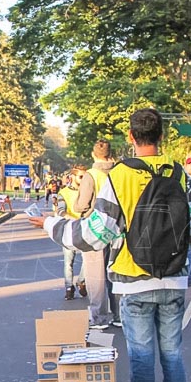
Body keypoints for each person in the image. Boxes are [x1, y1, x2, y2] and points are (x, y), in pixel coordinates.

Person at [30, 108, 191, 382]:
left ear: (131, 137)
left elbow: (96, 234)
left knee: (142, 361)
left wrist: (51, 225)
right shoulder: (180, 174)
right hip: (173, 280)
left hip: (132, 282)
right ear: (163, 135)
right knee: (173, 358)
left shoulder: (119, 176)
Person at [76, 140, 116, 329]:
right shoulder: (118, 172)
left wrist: (77, 207)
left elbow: (83, 204)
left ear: (93, 154)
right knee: (114, 272)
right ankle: (118, 315)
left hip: (95, 228)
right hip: (116, 228)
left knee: (95, 275)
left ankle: (99, 317)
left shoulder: (91, 176)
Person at [56, 166, 87, 301]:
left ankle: (81, 281)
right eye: (81, 177)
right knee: (68, 261)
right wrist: (73, 219)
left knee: (88, 259)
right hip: (69, 230)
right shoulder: (63, 192)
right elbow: (60, 211)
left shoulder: (88, 190)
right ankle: (69, 288)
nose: (83, 179)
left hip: (85, 229)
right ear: (72, 177)